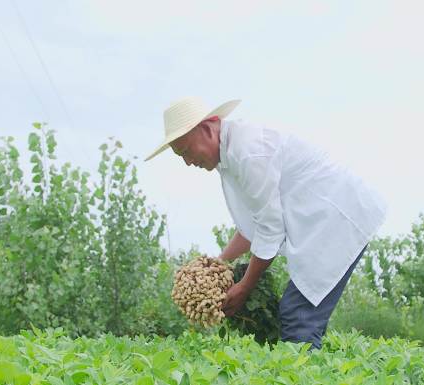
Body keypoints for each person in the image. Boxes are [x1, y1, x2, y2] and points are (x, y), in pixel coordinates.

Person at [145, 97, 387, 349]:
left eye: (185, 151)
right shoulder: (230, 156)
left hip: (337, 220)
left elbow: (270, 228)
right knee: (299, 318)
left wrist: (244, 287)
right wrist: (216, 265)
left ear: (207, 129)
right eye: (179, 156)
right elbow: (254, 225)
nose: (187, 162)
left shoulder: (247, 152)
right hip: (322, 225)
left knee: (298, 318)